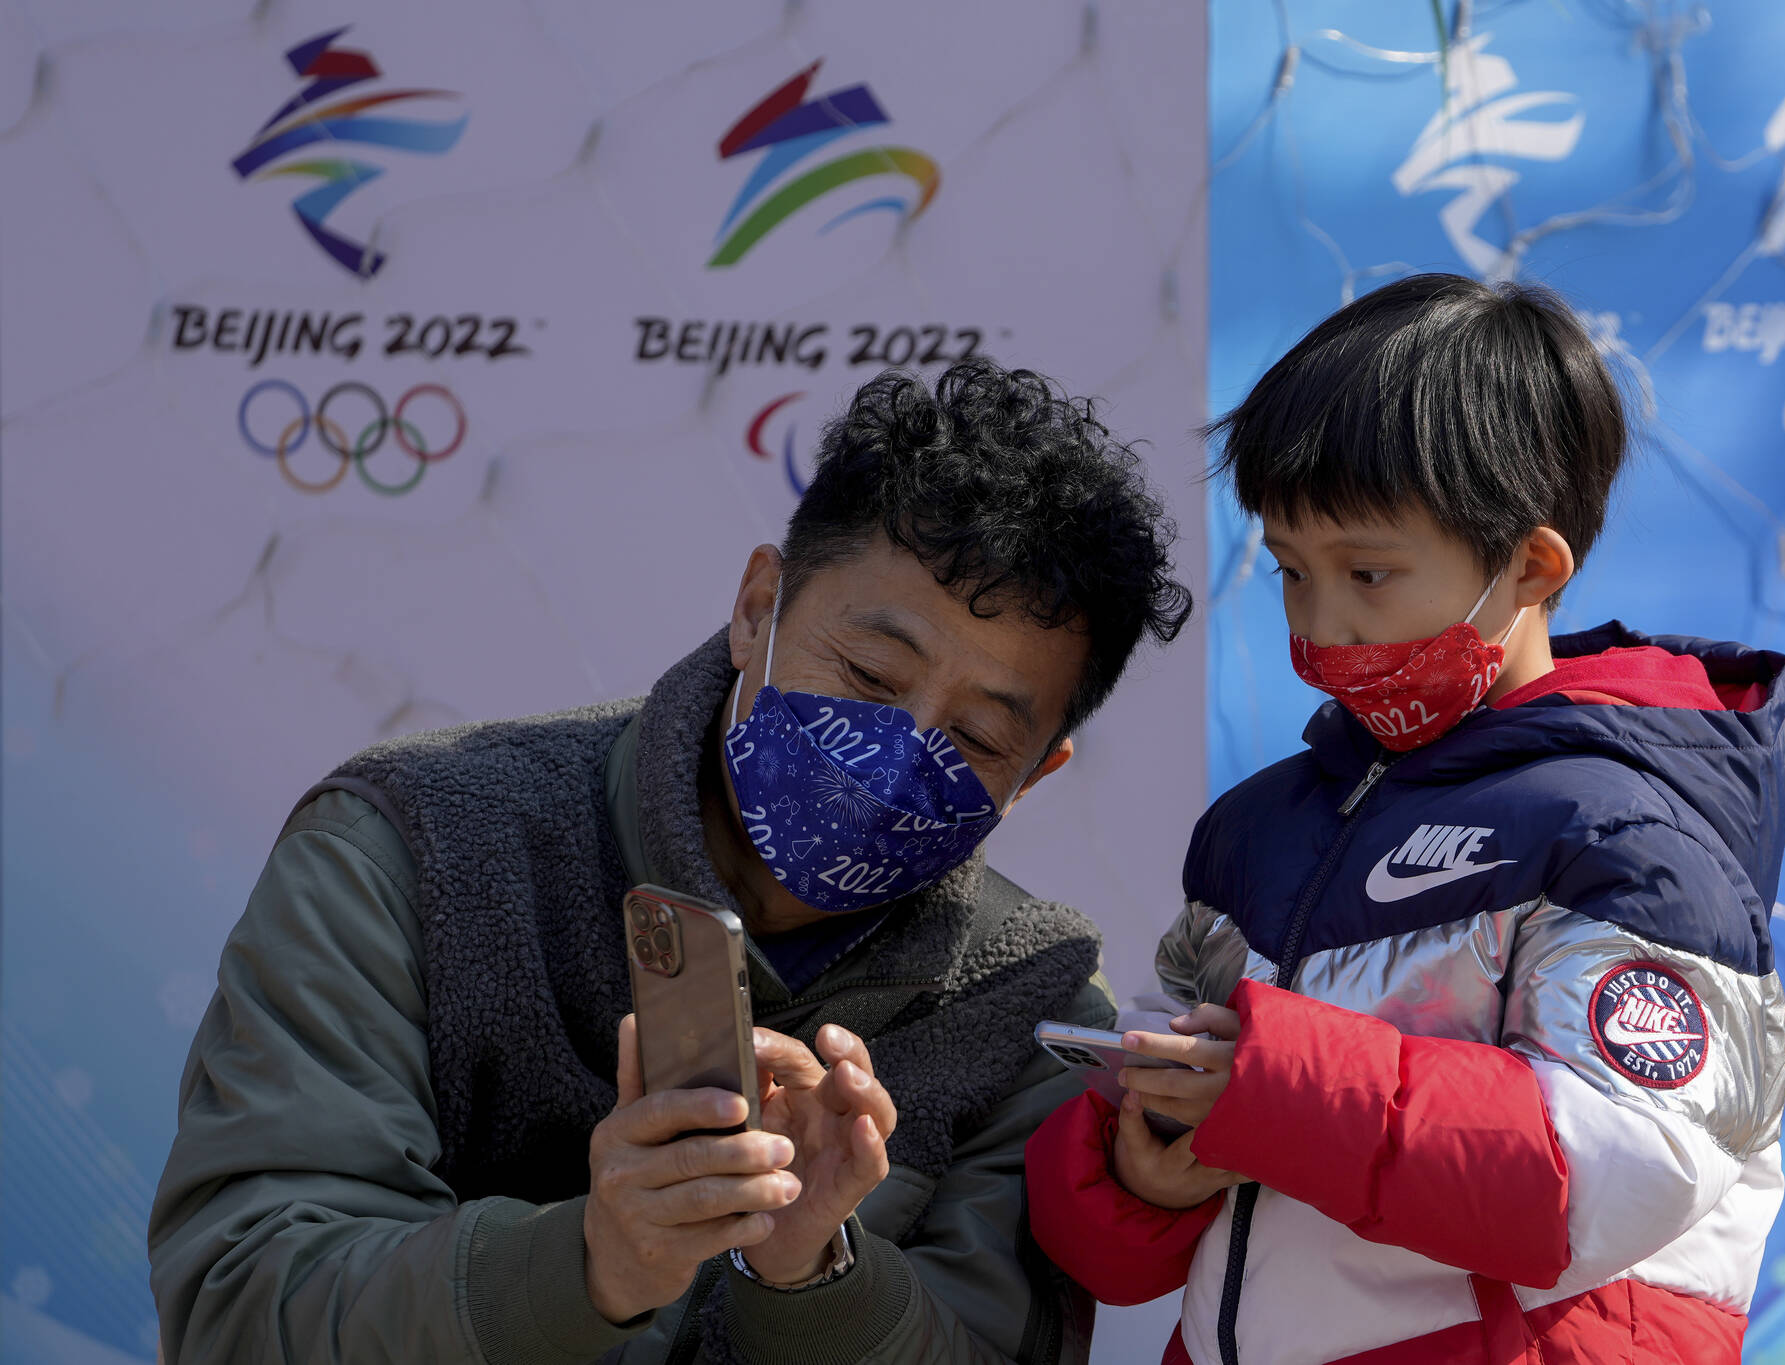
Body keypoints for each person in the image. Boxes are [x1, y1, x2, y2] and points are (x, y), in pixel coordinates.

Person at [148, 359, 1193, 1365]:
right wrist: (594, 1261)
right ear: (754, 610)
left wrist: (816, 1272)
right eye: (871, 675)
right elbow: (243, 1305)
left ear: (1037, 776)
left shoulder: (1031, 1005)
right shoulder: (410, 849)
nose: (892, 761)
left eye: (974, 739)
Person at [1027, 274, 1785, 1365]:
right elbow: (1135, 1245)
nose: (1321, 624)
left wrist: (1272, 1087)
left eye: (1368, 572)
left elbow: (1614, 1170)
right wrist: (1140, 1159)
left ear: (1529, 567)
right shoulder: (1258, 829)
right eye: (1290, 572)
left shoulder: (1631, 833)